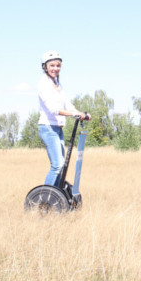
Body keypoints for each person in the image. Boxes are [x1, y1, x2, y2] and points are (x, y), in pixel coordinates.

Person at [38, 51, 90, 188]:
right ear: (45, 67)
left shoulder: (57, 84)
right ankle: (46, 197)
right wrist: (73, 115)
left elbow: (67, 103)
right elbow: (53, 109)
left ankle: (56, 194)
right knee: (57, 164)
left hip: (57, 128)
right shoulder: (44, 84)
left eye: (58, 65)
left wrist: (80, 113)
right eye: (52, 65)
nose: (55, 68)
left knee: (60, 166)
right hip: (48, 128)